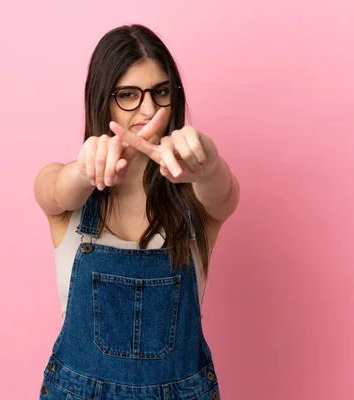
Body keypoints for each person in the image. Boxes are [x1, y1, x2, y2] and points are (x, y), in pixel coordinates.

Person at [33, 24, 240, 400]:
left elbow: (224, 192)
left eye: (161, 92)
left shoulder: (197, 200)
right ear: (103, 100)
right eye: (128, 94)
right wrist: (85, 170)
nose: (148, 109)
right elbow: (54, 190)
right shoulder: (68, 194)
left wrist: (208, 165)